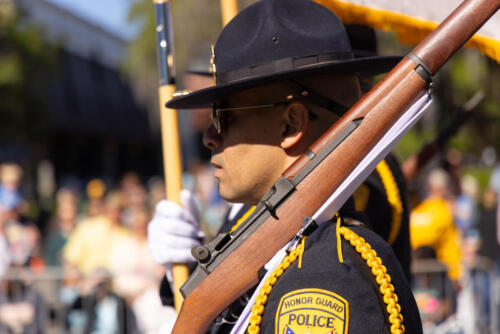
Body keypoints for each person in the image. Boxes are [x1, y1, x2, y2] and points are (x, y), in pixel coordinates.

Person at [149, 0, 422, 333]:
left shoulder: (325, 274)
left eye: (224, 115)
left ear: (291, 124)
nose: (209, 136)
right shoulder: (289, 245)